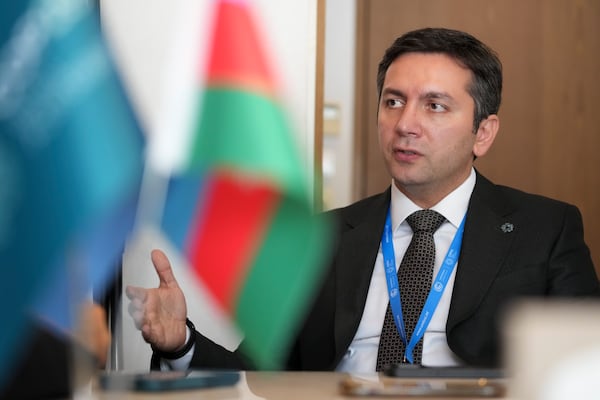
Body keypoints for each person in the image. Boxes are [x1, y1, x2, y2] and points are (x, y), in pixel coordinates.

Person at [126, 27, 599, 373]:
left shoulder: (546, 229)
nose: (405, 124)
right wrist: (180, 343)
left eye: (434, 106)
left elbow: (583, 370)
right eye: (393, 101)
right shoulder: (324, 238)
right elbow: (253, 376)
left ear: (483, 133)